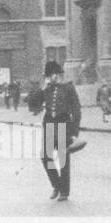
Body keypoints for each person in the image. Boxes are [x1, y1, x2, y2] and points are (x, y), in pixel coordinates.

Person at [40, 61, 82, 202]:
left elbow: (76, 110)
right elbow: (33, 102)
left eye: (50, 75)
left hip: (63, 125)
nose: (49, 78)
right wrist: (42, 88)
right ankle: (56, 185)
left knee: (63, 160)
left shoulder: (68, 88)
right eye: (48, 76)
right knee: (46, 157)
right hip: (50, 126)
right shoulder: (47, 89)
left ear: (57, 75)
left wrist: (74, 132)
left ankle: (64, 191)